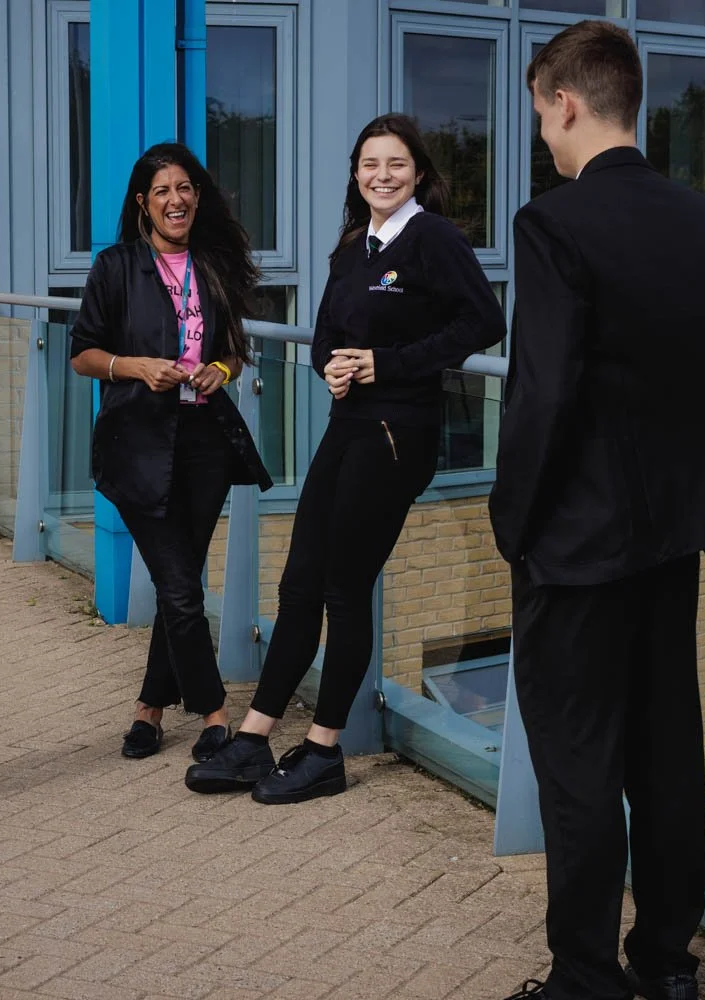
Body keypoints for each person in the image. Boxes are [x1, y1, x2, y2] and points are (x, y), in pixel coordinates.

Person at [487, 22, 705, 1000]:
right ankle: (668, 964)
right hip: (668, 541)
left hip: (575, 546)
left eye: (540, 116)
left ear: (563, 101)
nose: (543, 141)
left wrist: (513, 523)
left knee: (579, 763)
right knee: (666, 750)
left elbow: (543, 395)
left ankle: (588, 977)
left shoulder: (552, 223)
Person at [184, 113, 505, 804]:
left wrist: (385, 364)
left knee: (343, 588)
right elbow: (330, 331)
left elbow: (482, 321)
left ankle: (324, 748)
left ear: (418, 172)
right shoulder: (354, 244)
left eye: (395, 164)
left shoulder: (434, 239)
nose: (381, 176)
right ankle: (252, 737)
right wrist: (332, 366)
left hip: (398, 433)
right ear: (356, 175)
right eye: (369, 165)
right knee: (299, 582)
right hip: (348, 423)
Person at [69, 143, 273, 764]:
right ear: (142, 203)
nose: (175, 200)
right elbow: (82, 353)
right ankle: (215, 716)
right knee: (182, 588)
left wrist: (219, 370)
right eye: (161, 191)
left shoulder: (213, 264)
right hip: (139, 445)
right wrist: (134, 368)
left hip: (206, 444)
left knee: (177, 581)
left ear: (197, 196)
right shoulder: (116, 267)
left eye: (184, 188)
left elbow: (234, 349)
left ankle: (149, 710)